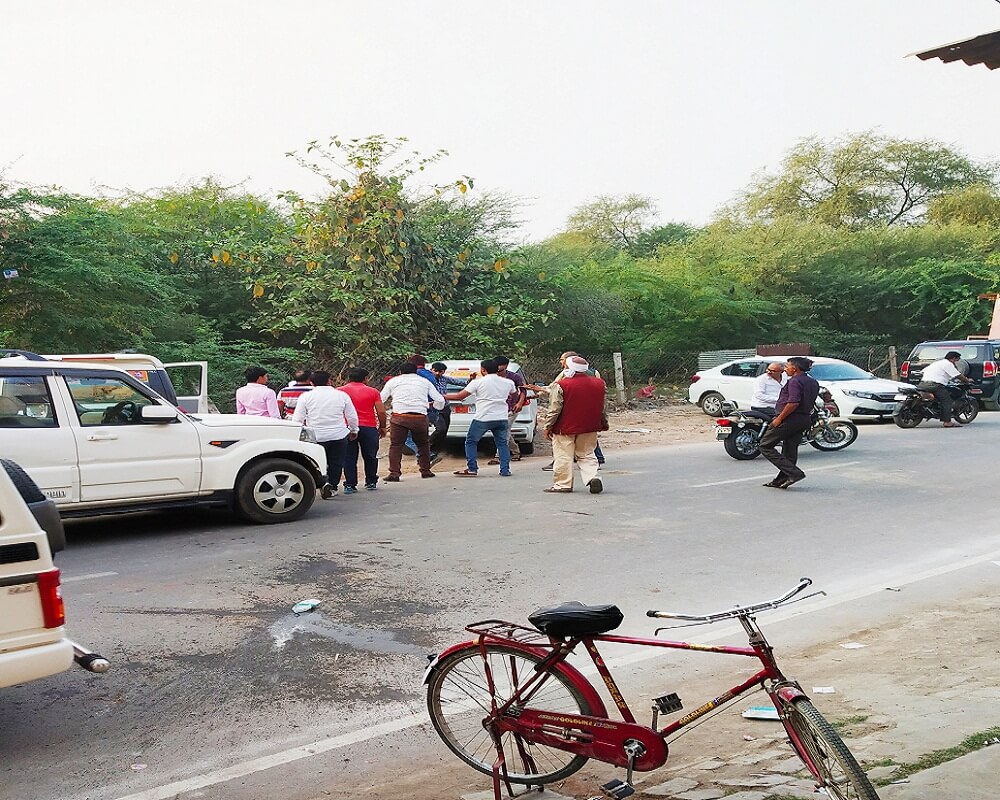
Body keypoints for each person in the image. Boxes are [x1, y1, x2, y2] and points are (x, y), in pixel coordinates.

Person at [542, 356, 608, 494]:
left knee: (563, 455)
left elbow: (555, 409)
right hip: (590, 425)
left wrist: (548, 426)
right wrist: (604, 422)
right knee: (587, 453)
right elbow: (602, 406)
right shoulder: (599, 383)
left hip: (564, 427)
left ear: (569, 368)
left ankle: (562, 484)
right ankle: (593, 476)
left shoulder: (561, 385)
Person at [292, 370, 359, 498]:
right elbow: (351, 416)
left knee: (316, 462)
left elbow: (298, 419)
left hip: (316, 436)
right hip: (338, 434)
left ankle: (322, 483)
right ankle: (332, 486)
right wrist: (354, 430)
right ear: (329, 381)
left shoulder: (306, 397)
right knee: (336, 462)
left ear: (311, 382)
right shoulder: (341, 395)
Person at [533, 351, 605, 471]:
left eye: (562, 360)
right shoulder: (595, 375)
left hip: (570, 411)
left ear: (569, 361)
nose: (561, 362)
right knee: (587, 437)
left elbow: (557, 392)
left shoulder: (566, 376)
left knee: (564, 445)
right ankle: (594, 468)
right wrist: (603, 420)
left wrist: (548, 425)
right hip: (590, 410)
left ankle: (562, 481)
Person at [447, 360, 517, 476]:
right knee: (502, 444)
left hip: (483, 417)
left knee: (471, 441)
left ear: (483, 370)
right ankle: (505, 470)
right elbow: (515, 394)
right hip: (501, 417)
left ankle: (472, 468)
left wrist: (441, 396)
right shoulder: (508, 382)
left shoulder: (477, 383)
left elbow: (459, 396)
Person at [760, 357, 820, 490]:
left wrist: (779, 418)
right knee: (790, 450)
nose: (785, 369)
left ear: (795, 368)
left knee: (765, 446)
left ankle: (794, 473)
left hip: (790, 419)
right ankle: (782, 479)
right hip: (804, 419)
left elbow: (793, 403)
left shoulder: (794, 381)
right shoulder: (813, 382)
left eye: (787, 366)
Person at [380, 362, 445, 482]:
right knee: (423, 444)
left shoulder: (393, 381)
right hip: (419, 417)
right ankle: (426, 470)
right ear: (416, 371)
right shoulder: (424, 382)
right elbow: (440, 400)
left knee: (396, 445)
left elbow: (381, 399)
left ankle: (394, 473)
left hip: (399, 417)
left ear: (400, 372)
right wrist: (434, 406)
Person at [338, 368, 387, 492]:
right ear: (366, 378)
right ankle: (371, 482)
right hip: (368, 427)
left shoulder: (340, 391)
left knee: (349, 456)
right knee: (370, 455)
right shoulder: (373, 391)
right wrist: (382, 426)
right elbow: (380, 411)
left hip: (347, 427)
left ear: (348, 378)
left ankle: (350, 484)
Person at [403, 354, 443, 464]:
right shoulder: (429, 374)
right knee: (420, 436)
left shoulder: (415, 375)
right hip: (433, 412)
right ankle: (422, 461)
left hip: (420, 410)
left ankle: (428, 455)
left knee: (407, 438)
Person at [488, 356, 528, 465]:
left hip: (512, 408)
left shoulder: (514, 377)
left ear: (505, 366)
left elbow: (523, 390)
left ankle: (499, 455)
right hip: (497, 408)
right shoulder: (491, 376)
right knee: (504, 430)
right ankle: (515, 451)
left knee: (503, 430)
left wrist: (519, 403)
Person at [918, 351, 971, 428]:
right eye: (957, 360)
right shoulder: (948, 364)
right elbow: (958, 375)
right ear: (953, 359)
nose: (956, 363)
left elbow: (923, 372)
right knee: (947, 401)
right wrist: (967, 380)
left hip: (922, 384)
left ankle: (931, 403)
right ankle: (947, 422)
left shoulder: (937, 363)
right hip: (934, 385)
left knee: (939, 395)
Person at [428, 361, 452, 452]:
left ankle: (435, 451)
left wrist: (470, 380)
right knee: (440, 429)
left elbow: (461, 382)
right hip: (434, 408)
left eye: (440, 371)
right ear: (431, 370)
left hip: (445, 407)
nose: (437, 373)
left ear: (443, 372)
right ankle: (427, 444)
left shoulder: (444, 379)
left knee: (444, 431)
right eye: (435, 371)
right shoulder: (427, 380)